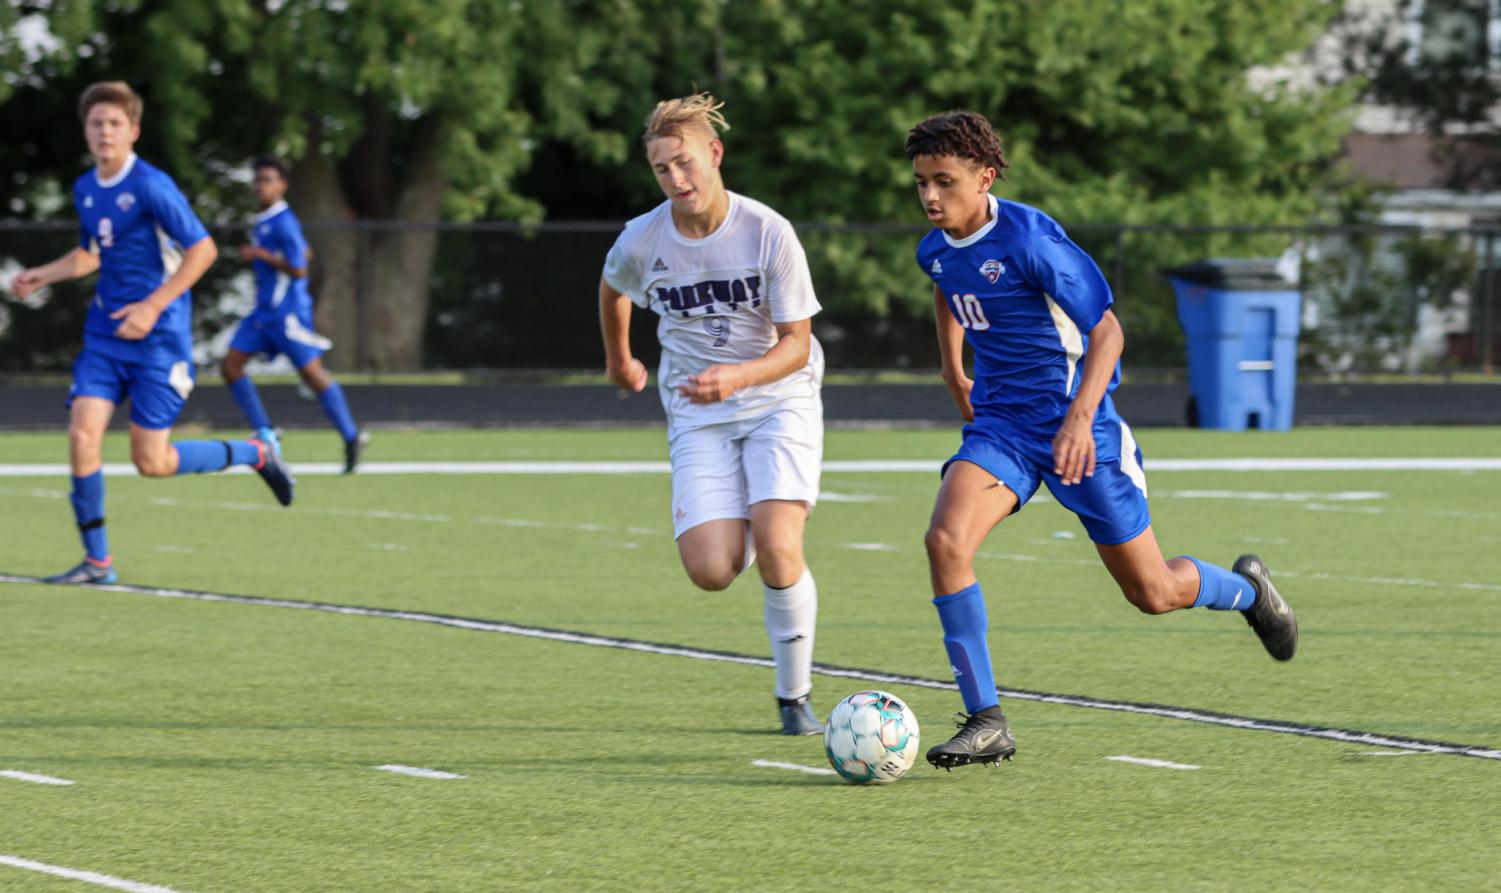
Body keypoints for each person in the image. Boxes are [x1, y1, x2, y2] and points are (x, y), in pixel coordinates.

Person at [905, 110, 1299, 770]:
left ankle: (1248, 592)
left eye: (943, 181)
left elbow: (1108, 332)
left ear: (985, 176)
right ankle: (986, 718)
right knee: (944, 540)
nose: (929, 197)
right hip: (1001, 427)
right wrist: (953, 368)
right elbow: (945, 288)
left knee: (1152, 591)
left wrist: (1081, 418)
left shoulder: (1033, 242)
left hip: (1079, 432)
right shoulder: (935, 246)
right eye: (920, 182)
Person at [598, 93, 827, 735]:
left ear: (714, 154)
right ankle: (753, 518)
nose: (676, 180)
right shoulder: (644, 238)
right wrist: (620, 359)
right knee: (710, 571)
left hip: (778, 398)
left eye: (685, 163)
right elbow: (614, 286)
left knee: (782, 547)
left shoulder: (767, 231)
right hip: (697, 412)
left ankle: (794, 698)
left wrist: (738, 377)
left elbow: (797, 346)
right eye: (662, 170)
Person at [9, 81, 295, 585]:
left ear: (133, 131)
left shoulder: (151, 185)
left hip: (160, 338)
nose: (105, 132)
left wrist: (152, 305)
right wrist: (42, 274)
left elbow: (202, 249)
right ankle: (98, 562)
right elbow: (91, 253)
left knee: (152, 461)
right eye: (97, 123)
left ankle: (256, 453)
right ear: (86, 130)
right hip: (105, 334)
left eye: (115, 123)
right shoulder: (85, 188)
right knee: (82, 435)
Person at [222, 157, 368, 472]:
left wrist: (259, 254)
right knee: (231, 366)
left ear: (282, 185)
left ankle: (351, 435)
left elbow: (300, 268)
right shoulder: (264, 220)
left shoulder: (283, 220)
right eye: (258, 180)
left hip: (287, 315)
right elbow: (302, 250)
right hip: (263, 314)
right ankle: (265, 431)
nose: (262, 186)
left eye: (269, 180)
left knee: (312, 375)